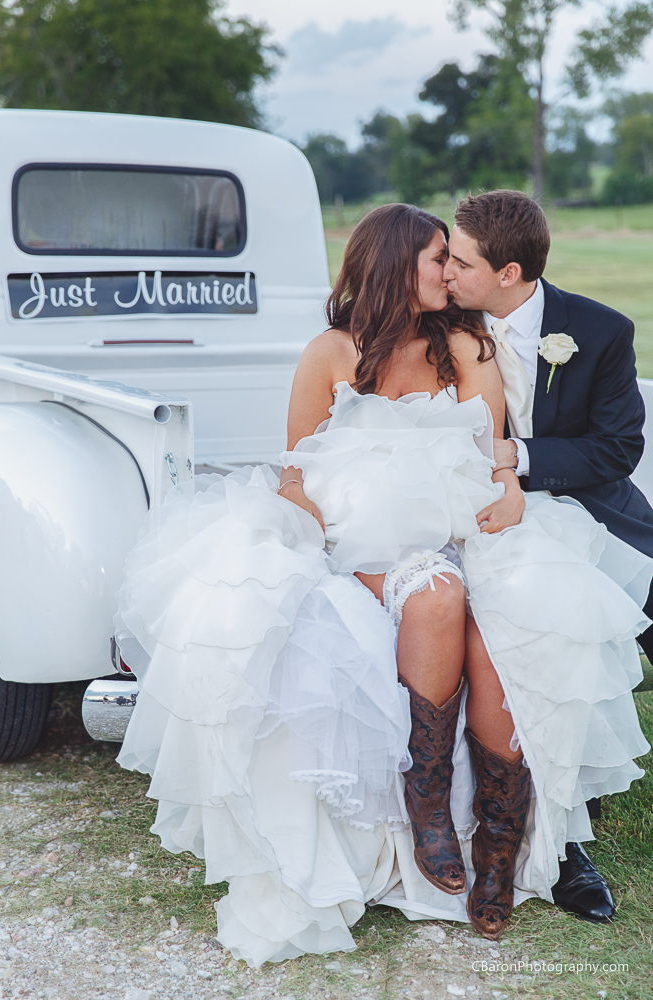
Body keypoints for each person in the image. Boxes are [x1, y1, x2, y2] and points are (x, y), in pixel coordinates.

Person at [114, 204, 651, 967]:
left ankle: (502, 844)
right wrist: (318, 532)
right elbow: (297, 468)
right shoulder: (329, 352)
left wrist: (505, 493)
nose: (448, 274)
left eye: (455, 260)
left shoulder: (464, 343)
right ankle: (426, 802)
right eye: (438, 258)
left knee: (512, 623)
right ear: (398, 265)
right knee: (433, 596)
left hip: (459, 524)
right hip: (362, 540)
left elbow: (493, 452)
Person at [443, 189, 653, 924]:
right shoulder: (437, 322)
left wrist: (520, 456)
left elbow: (617, 449)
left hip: (586, 506)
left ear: (508, 273)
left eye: (460, 262)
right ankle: (563, 839)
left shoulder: (597, 330)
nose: (444, 273)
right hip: (477, 516)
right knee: (548, 628)